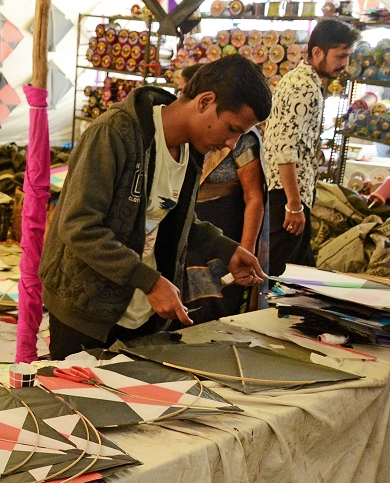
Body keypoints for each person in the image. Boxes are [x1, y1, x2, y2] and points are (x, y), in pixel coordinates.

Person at [40, 55, 272, 361]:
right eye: (232, 128)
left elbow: (168, 216)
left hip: (144, 313)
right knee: (74, 404)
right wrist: (149, 280)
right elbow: (79, 226)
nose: (232, 143)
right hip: (86, 311)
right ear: (205, 101)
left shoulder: (191, 148)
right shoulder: (115, 133)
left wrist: (226, 249)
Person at [263, 19, 359, 275]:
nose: (345, 64)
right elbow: (285, 150)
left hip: (290, 194)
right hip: (286, 196)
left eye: (348, 56)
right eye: (341, 56)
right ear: (317, 52)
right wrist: (293, 205)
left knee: (300, 275)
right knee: (280, 278)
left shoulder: (303, 81)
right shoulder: (303, 88)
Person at [180, 63, 268, 320]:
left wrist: (244, 250)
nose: (231, 141)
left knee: (213, 306)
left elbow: (254, 197)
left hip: (222, 225)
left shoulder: (241, 141)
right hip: (193, 226)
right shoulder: (188, 135)